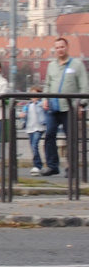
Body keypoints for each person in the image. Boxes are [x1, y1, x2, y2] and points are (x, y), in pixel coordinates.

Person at [43, 37, 87, 176]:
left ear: (67, 47)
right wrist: (45, 98)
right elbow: (47, 85)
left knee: (71, 138)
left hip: (70, 107)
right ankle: (52, 165)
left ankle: (72, 167)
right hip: (53, 106)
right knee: (49, 135)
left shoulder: (77, 65)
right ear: (54, 50)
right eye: (57, 48)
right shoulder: (51, 65)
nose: (60, 50)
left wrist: (81, 104)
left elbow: (84, 86)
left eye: (62, 47)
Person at [23, 87, 48, 176]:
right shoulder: (27, 105)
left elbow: (46, 111)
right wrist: (22, 116)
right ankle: (37, 164)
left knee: (34, 145)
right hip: (30, 127)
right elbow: (24, 115)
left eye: (35, 94)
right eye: (32, 94)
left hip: (39, 127)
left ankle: (37, 165)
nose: (33, 96)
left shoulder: (40, 104)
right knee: (32, 146)